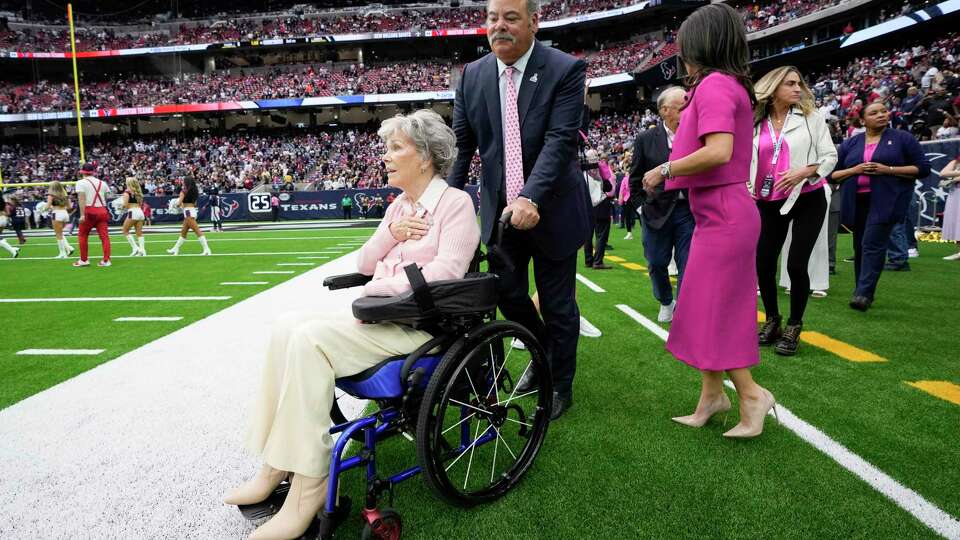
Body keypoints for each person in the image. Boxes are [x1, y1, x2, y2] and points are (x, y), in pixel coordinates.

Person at [224, 110, 479, 540]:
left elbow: (450, 271)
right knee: (285, 325)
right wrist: (393, 233)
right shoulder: (400, 205)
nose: (385, 156)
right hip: (378, 317)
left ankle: (310, 486)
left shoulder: (454, 203)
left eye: (396, 147)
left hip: (417, 326)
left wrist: (386, 289)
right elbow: (363, 263)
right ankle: (276, 465)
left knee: (308, 339)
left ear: (426, 157)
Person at [446, 0, 590, 420]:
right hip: (501, 214)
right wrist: (445, 202)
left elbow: (560, 141)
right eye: (492, 18)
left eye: (510, 18)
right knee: (509, 296)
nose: (499, 27)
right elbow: (462, 146)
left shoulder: (564, 69)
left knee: (558, 303)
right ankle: (543, 350)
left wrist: (530, 196)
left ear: (533, 22)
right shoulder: (472, 75)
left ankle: (560, 384)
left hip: (552, 209)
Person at [642, 3, 776, 438]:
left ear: (701, 42)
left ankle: (752, 395)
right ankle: (712, 396)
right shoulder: (724, 84)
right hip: (719, 212)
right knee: (704, 306)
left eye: (683, 43)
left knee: (716, 309)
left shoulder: (716, 84)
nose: (679, 51)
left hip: (724, 214)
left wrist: (665, 170)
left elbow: (718, 151)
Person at [749, 66, 837, 356]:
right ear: (773, 89)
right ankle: (772, 320)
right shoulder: (754, 122)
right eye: (789, 84)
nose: (798, 88)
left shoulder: (812, 117)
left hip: (808, 197)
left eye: (799, 83)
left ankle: (794, 325)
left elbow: (829, 156)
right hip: (768, 200)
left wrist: (804, 171)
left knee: (796, 264)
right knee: (763, 262)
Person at [827, 101, 931, 311]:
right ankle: (861, 289)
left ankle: (863, 294)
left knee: (872, 243)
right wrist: (854, 170)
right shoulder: (851, 143)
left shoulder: (903, 138)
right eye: (874, 113)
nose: (882, 115)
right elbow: (831, 174)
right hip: (857, 201)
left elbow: (923, 168)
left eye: (884, 111)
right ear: (863, 120)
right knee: (860, 246)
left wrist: (888, 169)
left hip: (887, 200)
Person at [629, 86, 694, 324]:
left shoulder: (696, 134)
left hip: (689, 209)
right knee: (657, 262)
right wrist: (640, 207)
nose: (689, 111)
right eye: (683, 107)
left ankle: (686, 309)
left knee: (690, 263)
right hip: (655, 211)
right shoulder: (646, 139)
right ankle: (666, 300)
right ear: (665, 110)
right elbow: (634, 178)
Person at [72, 162, 112, 267]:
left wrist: (82, 214)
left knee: (82, 235)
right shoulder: (102, 183)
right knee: (104, 237)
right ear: (93, 172)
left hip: (89, 211)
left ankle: (84, 260)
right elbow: (107, 197)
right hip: (102, 210)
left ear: (83, 172)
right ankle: (106, 260)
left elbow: (81, 198)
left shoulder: (80, 183)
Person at [583, 149, 615, 269]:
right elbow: (608, 187)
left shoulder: (582, 172)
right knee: (601, 235)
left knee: (588, 235)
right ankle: (598, 261)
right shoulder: (600, 170)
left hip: (587, 206)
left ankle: (588, 260)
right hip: (601, 204)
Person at [166, 176, 212, 256]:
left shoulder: (183, 191)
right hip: (192, 211)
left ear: (186, 182)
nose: (182, 182)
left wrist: (175, 205)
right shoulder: (195, 191)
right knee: (183, 232)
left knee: (197, 231)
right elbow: (195, 204)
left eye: (183, 181)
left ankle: (207, 249)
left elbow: (179, 203)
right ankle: (175, 249)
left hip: (188, 213)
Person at [46, 180, 75, 259]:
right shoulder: (64, 195)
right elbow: (69, 207)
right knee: (60, 233)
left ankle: (62, 253)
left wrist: (42, 209)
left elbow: (47, 206)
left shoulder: (51, 195)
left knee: (58, 234)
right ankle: (68, 248)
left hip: (57, 214)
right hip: (65, 214)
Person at [939, 156, 960, 260]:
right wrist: (956, 176)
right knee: (956, 221)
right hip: (955, 193)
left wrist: (953, 177)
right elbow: (943, 173)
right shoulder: (956, 161)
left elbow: (949, 175)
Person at [121, 177, 147, 256]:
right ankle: (142, 251)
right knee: (139, 233)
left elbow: (125, 205)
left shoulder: (126, 192)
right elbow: (140, 204)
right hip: (140, 212)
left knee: (125, 230)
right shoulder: (138, 192)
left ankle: (135, 248)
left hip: (132, 212)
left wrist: (119, 206)